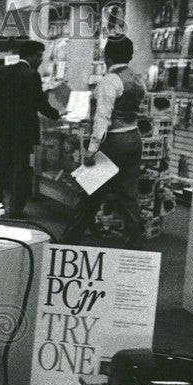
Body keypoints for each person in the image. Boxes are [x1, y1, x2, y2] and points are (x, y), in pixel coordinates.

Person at [61, 35, 147, 246]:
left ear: (106, 56)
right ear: (130, 56)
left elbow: (102, 118)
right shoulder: (137, 79)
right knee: (128, 195)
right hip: (134, 138)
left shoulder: (109, 81)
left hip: (114, 142)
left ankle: (69, 241)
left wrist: (91, 149)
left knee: (89, 193)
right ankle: (136, 242)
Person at [0, 40, 60, 219]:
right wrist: (57, 115)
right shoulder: (31, 75)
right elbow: (40, 104)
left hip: (5, 129)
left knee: (2, 166)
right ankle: (16, 209)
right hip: (24, 130)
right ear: (29, 55)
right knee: (21, 169)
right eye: (39, 56)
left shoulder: (2, 71)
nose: (41, 60)